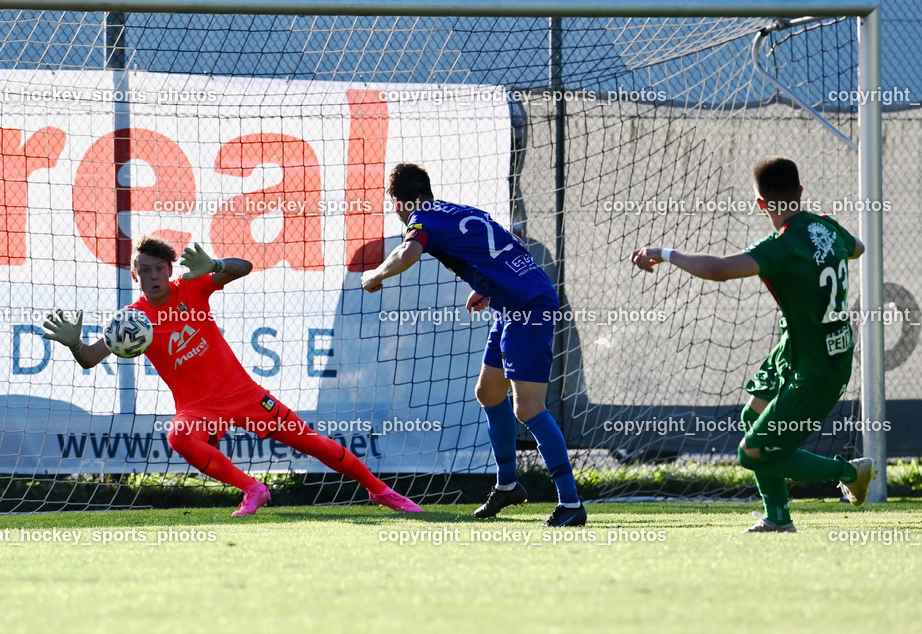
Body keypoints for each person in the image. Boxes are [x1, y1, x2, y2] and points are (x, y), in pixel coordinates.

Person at [43, 235, 422, 517]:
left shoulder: (191, 286)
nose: (154, 275)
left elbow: (245, 267)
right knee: (178, 436)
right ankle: (252, 488)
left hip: (243, 394)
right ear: (135, 273)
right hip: (199, 408)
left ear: (170, 270)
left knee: (314, 444)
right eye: (146, 269)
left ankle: (379, 490)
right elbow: (90, 358)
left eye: (160, 268)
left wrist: (216, 265)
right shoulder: (131, 320)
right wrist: (75, 344)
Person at [631, 156, 876, 532]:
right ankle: (778, 518)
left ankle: (849, 472)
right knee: (753, 417)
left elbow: (719, 270)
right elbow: (857, 248)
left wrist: (665, 254)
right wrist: (825, 232)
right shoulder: (825, 227)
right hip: (801, 347)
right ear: (801, 192)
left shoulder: (782, 245)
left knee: (753, 452)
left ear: (761, 204)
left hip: (818, 366)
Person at [361, 163, 586, 527]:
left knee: (528, 409)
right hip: (511, 303)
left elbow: (407, 254)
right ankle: (508, 484)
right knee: (488, 393)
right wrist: (487, 285)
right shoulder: (456, 210)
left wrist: (374, 275)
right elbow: (508, 244)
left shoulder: (422, 219)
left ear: (398, 201)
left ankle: (571, 504)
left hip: (527, 308)